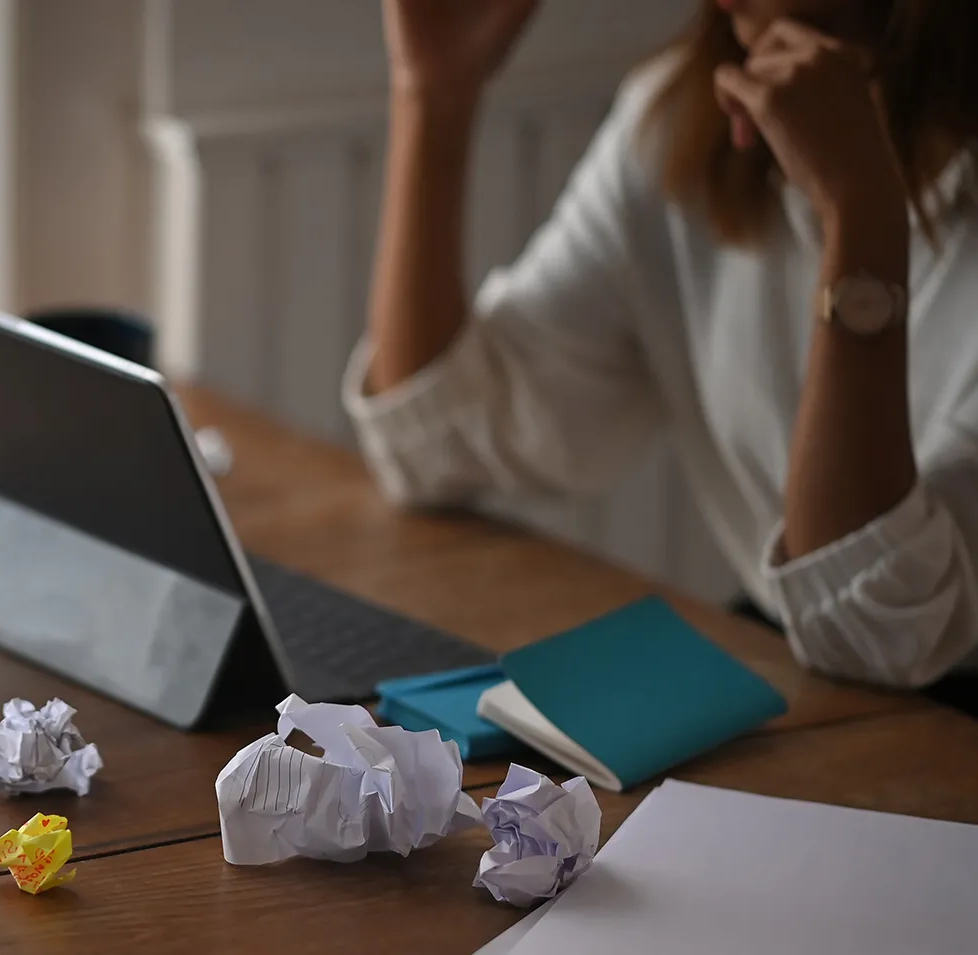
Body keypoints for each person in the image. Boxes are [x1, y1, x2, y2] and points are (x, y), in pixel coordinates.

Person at [346, 0, 978, 709]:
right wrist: (433, 93)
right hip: (802, 666)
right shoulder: (681, 117)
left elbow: (884, 632)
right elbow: (442, 446)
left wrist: (861, 215)